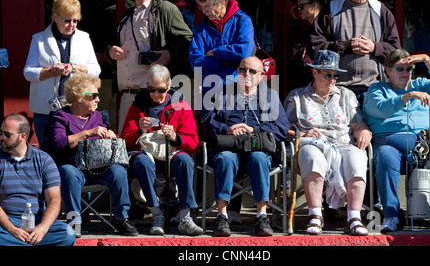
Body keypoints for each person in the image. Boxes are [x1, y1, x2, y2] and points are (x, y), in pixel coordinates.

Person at [284, 50, 371, 236]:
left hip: (343, 143)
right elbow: (284, 129)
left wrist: (363, 131)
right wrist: (303, 132)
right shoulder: (297, 97)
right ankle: (315, 215)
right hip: (313, 143)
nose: (332, 79)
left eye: (336, 75)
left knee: (356, 158)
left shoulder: (346, 95)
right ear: (315, 72)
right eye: (328, 74)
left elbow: (357, 124)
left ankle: (354, 217)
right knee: (311, 156)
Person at [363, 49, 430, 232]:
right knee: (385, 156)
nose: (406, 73)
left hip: (429, 142)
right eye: (400, 69)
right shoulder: (377, 89)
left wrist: (427, 60)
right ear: (387, 70)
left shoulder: (422, 85)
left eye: (409, 69)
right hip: (391, 144)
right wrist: (407, 97)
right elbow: (378, 109)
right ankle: (391, 215)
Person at [201, 57, 290, 237]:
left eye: (252, 71)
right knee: (225, 158)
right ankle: (221, 216)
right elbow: (205, 121)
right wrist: (226, 129)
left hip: (257, 148)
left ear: (262, 76)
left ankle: (261, 216)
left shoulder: (270, 96)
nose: (246, 74)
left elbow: (282, 128)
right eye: (242, 70)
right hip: (228, 147)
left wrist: (253, 129)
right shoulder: (221, 93)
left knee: (258, 158)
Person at [106, 0, 193, 135]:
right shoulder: (127, 14)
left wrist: (170, 54)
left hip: (152, 97)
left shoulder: (165, 9)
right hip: (127, 95)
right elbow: (117, 46)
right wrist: (110, 52)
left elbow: (188, 40)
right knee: (128, 148)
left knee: (152, 150)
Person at [48, 73, 138, 237]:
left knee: (118, 171)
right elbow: (58, 144)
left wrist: (112, 136)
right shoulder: (60, 117)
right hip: (75, 169)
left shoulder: (98, 117)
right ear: (78, 97)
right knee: (67, 172)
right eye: (93, 95)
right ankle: (74, 221)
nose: (98, 99)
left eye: (98, 95)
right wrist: (87, 133)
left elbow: (108, 145)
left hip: (101, 168)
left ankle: (122, 218)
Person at [120, 64, 203, 236]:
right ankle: (156, 214)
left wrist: (176, 137)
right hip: (146, 151)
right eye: (152, 89)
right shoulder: (137, 106)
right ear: (146, 85)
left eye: (161, 90)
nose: (156, 94)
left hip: (172, 150)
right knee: (141, 161)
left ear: (169, 85)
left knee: (185, 160)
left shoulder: (181, 105)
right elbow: (125, 142)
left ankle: (185, 217)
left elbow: (194, 143)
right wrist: (139, 130)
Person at [310, 0, 401, 101]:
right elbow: (314, 46)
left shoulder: (381, 11)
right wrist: (345, 46)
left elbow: (396, 51)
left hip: (373, 88)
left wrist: (375, 47)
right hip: (336, 89)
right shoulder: (332, 9)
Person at [23, 0, 101, 148]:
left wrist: (75, 67)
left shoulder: (84, 38)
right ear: (55, 17)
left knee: (74, 151)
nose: (72, 25)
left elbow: (96, 69)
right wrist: (51, 71)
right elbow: (28, 72)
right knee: (47, 150)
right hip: (45, 108)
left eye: (75, 20)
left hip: (76, 108)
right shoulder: (39, 39)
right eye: (67, 20)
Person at [0, 113, 75, 246]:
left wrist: (42, 228)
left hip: (37, 220)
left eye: (7, 134)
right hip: (6, 221)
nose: (1, 137)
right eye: (0, 133)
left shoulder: (44, 160)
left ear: (22, 136)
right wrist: (11, 229)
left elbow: (54, 200)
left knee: (67, 234)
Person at [189, 0, 255, 113]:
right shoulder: (202, 28)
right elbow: (196, 63)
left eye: (208, 6)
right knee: (208, 130)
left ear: (222, 3)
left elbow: (243, 53)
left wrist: (216, 52)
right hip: (209, 93)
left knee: (235, 129)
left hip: (236, 91)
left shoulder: (243, 21)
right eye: (202, 7)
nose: (205, 11)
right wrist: (229, 61)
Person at [287, 0, 326, 91]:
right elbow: (292, 48)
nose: (299, 9)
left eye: (301, 6)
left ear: (314, 5)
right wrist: (295, 22)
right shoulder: (309, 28)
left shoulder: (326, 27)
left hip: (320, 84)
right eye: (297, 6)